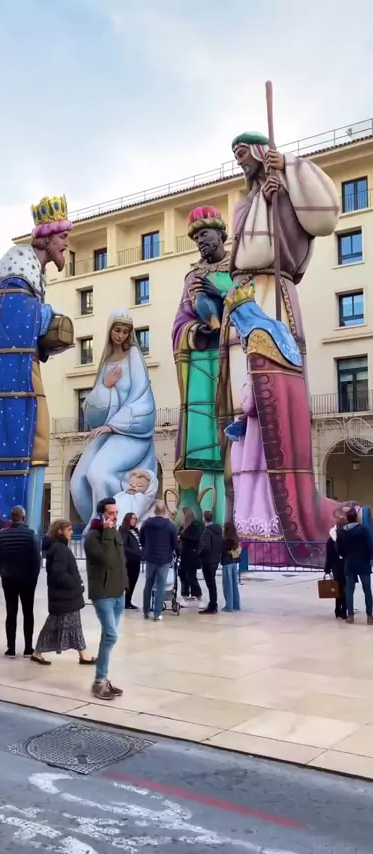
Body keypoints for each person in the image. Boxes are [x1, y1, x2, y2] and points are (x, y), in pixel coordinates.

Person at [216, 131, 356, 567]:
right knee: (244, 403)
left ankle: (277, 521)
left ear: (262, 152)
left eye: (245, 153)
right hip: (243, 295)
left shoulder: (284, 187)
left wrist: (288, 169)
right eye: (236, 155)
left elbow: (323, 219)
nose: (240, 161)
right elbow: (240, 246)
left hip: (272, 292)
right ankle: (250, 517)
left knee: (270, 391)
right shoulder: (244, 203)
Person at [0, 194, 74, 533]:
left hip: (26, 367)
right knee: (32, 437)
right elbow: (17, 318)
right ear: (47, 238)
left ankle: (30, 530)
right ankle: (22, 529)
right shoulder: (17, 269)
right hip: (16, 376)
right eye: (62, 237)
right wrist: (50, 316)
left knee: (38, 440)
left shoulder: (33, 273)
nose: (66, 243)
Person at [172, 206, 231, 522]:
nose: (200, 242)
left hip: (231, 357)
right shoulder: (192, 276)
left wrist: (218, 292)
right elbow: (180, 321)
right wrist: (195, 331)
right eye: (196, 238)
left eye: (204, 235)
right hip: (201, 359)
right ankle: (201, 512)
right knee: (202, 438)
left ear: (220, 234)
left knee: (230, 429)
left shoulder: (239, 267)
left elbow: (249, 302)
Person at [70, 310, 156, 527]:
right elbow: (93, 407)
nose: (121, 335)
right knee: (77, 482)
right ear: (110, 330)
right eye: (117, 330)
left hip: (131, 432)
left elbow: (142, 397)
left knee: (98, 473)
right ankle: (98, 522)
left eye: (125, 332)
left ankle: (112, 524)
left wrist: (112, 425)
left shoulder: (134, 355)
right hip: (107, 432)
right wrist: (105, 386)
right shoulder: (107, 361)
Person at [31, 519, 95, 666]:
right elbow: (58, 573)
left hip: (64, 596)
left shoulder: (58, 547)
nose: (71, 532)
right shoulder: (59, 549)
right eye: (69, 530)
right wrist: (75, 584)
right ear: (60, 531)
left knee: (68, 626)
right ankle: (82, 653)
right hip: (64, 596)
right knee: (59, 625)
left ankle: (82, 653)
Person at [84, 497, 127, 700]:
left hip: (118, 592)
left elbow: (120, 561)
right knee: (111, 635)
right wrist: (108, 532)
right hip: (102, 593)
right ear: (101, 514)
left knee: (107, 638)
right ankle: (99, 681)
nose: (114, 516)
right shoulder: (92, 536)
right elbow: (105, 559)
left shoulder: (115, 533)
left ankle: (101, 679)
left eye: (116, 513)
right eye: (110, 513)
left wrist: (125, 585)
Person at [0, 505, 40, 657]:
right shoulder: (30, 534)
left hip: (9, 578)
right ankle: (28, 648)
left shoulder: (2, 535)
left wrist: (2, 572)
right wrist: (34, 576)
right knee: (28, 612)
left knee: (11, 612)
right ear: (23, 517)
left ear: (11, 518)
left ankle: (11, 648)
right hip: (27, 578)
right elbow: (36, 558)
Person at [140, 501, 177, 620]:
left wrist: (147, 548)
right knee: (161, 586)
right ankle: (157, 613)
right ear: (164, 511)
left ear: (155, 511)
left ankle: (146, 611)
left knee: (148, 584)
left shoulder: (146, 524)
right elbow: (174, 543)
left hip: (150, 558)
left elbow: (141, 539)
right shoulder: (170, 526)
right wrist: (169, 551)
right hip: (164, 559)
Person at [337, 507, 373, 625]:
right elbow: (370, 544)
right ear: (356, 518)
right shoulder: (363, 529)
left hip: (349, 563)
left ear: (347, 518)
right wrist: (369, 557)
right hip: (364, 563)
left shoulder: (341, 531)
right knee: (367, 590)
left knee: (349, 591)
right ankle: (369, 616)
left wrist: (346, 556)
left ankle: (350, 615)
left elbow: (338, 548)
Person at [198, 510, 223, 614]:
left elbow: (206, 546)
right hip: (215, 559)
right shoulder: (219, 530)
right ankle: (213, 604)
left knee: (210, 583)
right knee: (212, 583)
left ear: (204, 518)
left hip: (207, 560)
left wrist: (199, 553)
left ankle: (212, 605)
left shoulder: (207, 531)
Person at [325, 514, 347, 620]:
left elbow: (329, 556)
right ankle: (344, 610)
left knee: (338, 588)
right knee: (345, 588)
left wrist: (327, 569)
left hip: (336, 566)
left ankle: (338, 609)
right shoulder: (347, 537)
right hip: (345, 565)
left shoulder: (331, 538)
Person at [178, 507, 203, 600]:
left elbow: (196, 538)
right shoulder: (183, 527)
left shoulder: (196, 525)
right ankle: (185, 594)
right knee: (183, 574)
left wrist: (182, 536)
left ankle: (198, 595)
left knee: (191, 576)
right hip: (184, 555)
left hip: (192, 554)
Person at [119, 512, 142, 610]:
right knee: (128, 582)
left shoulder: (136, 531)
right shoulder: (123, 531)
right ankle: (125, 602)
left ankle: (128, 601)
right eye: (132, 518)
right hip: (128, 561)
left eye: (135, 519)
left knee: (133, 581)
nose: (134, 520)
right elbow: (123, 546)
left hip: (136, 560)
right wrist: (135, 553)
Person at [221, 522, 241, 612]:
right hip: (234, 562)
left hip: (227, 562)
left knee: (227, 584)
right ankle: (236, 604)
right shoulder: (235, 539)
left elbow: (221, 549)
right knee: (234, 584)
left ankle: (229, 606)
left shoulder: (227, 540)